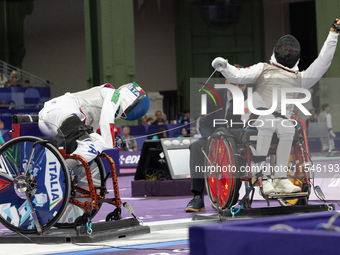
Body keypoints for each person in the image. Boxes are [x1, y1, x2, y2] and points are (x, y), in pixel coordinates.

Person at [211, 18, 340, 195]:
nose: (287, 53)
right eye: (285, 50)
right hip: (255, 116)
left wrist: (333, 34)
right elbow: (239, 76)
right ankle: (261, 175)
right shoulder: (263, 68)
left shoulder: (300, 78)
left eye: (290, 51)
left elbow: (322, 62)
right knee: (268, 121)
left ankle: (280, 178)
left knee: (287, 129)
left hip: (279, 119)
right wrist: (225, 67)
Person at [39, 82, 149, 164]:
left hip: (60, 125)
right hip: (60, 109)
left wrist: (104, 145)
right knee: (89, 145)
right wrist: (110, 149)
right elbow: (106, 120)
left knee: (97, 143)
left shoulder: (104, 110)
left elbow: (94, 128)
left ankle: (68, 168)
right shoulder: (113, 94)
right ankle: (63, 169)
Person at [185, 79, 247, 212]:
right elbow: (204, 124)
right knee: (196, 147)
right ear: (226, 82)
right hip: (214, 138)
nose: (237, 88)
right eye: (233, 84)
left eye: (241, 85)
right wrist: (212, 140)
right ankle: (197, 197)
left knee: (241, 151)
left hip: (237, 141)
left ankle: (233, 196)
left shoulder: (250, 98)